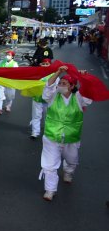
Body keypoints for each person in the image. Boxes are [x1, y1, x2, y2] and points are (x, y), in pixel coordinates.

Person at [39, 66, 91, 201]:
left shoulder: (79, 98)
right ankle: (50, 190)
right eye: (60, 83)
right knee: (49, 164)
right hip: (52, 135)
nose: (60, 85)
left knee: (71, 159)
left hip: (71, 137)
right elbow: (48, 86)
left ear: (72, 86)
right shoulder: (52, 96)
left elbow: (89, 95)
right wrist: (58, 73)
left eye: (64, 83)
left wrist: (84, 78)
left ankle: (68, 172)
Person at [29, 59, 54, 139]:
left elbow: (57, 88)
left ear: (50, 65)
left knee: (48, 116)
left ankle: (48, 131)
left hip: (49, 100)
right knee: (36, 116)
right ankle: (35, 132)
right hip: (37, 98)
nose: (45, 65)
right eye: (43, 64)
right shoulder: (37, 74)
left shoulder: (54, 75)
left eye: (47, 64)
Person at [0, 50, 18, 115]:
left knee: (9, 96)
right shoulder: (2, 62)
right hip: (1, 81)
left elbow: (16, 73)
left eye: (9, 55)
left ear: (12, 57)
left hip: (10, 82)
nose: (7, 56)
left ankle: (8, 105)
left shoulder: (15, 64)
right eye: (6, 54)